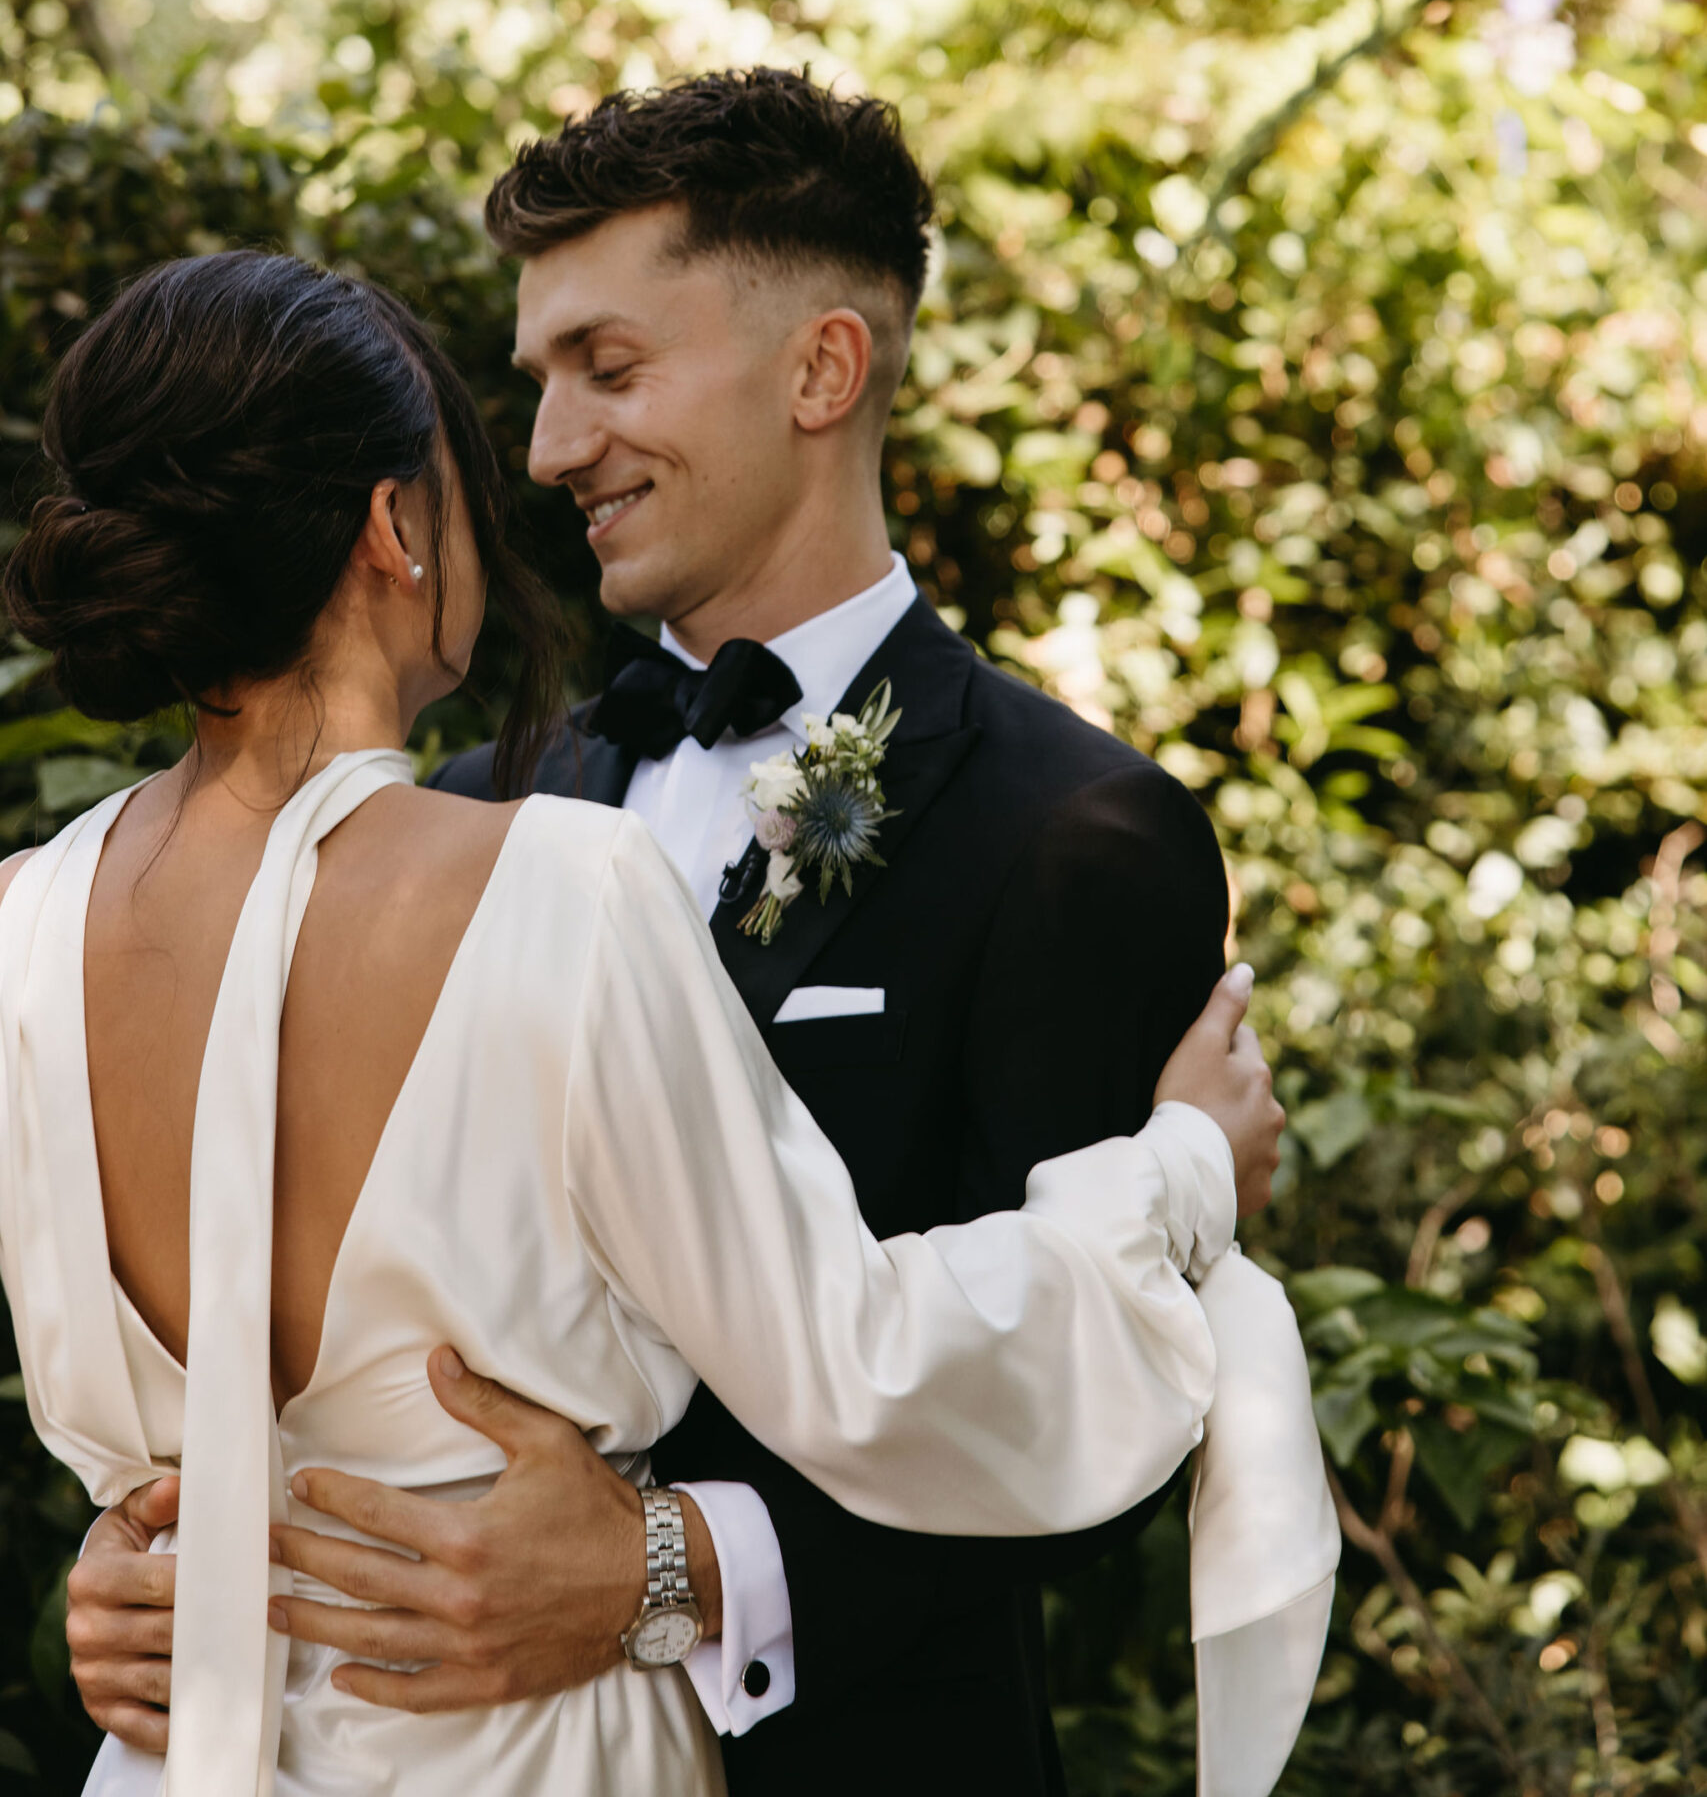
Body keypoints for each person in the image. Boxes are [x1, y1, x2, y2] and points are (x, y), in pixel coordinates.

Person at [0, 245, 1290, 1797]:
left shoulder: (27, 923)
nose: (540, 463)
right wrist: (1182, 1174)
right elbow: (863, 1362)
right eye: (483, 458)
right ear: (395, 530)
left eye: (603, 372)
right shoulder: (556, 878)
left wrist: (150, 1546)